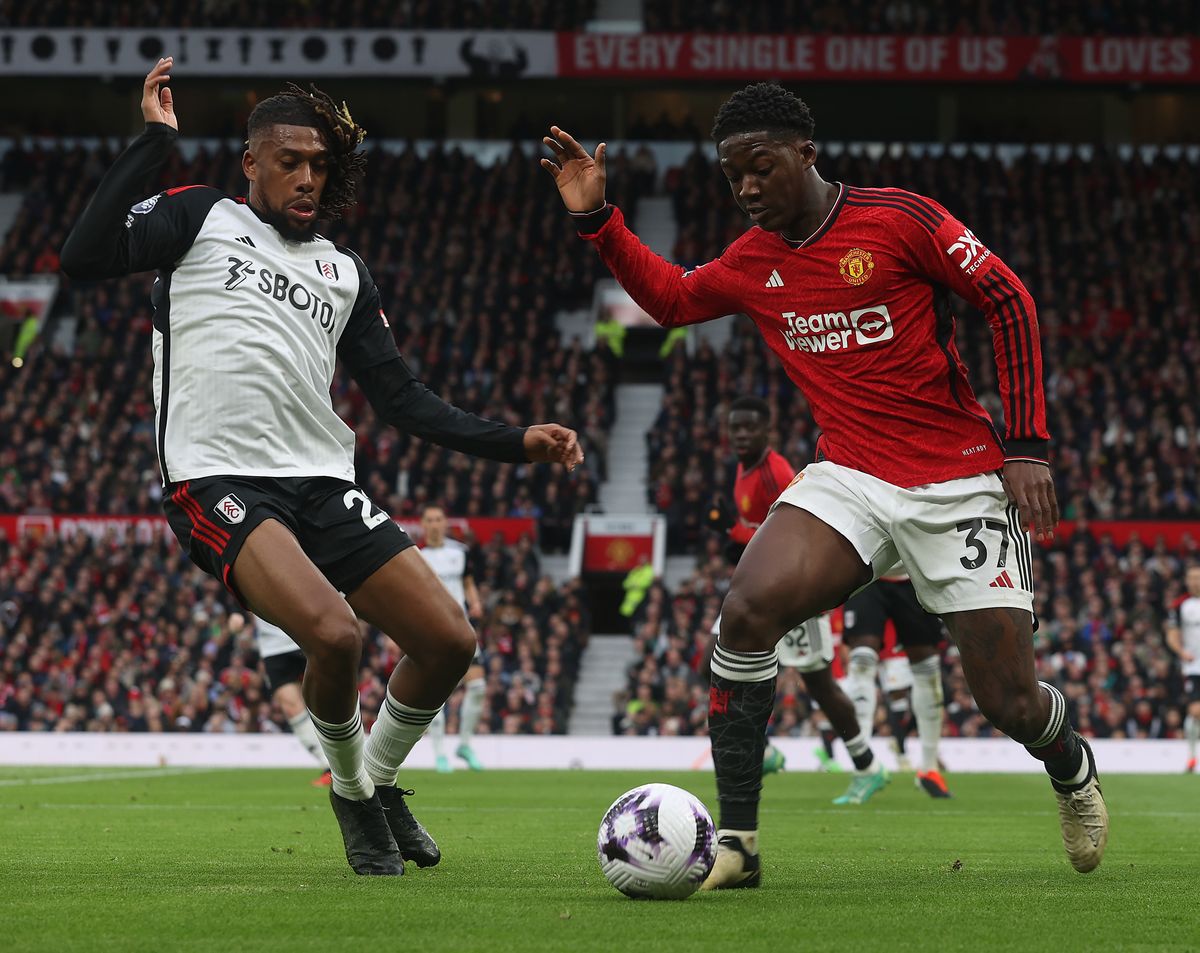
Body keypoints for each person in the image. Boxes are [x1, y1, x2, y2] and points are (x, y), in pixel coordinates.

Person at [541, 82, 1106, 887]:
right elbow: (670, 300)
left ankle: (1071, 764)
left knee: (1010, 701)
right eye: (732, 175)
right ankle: (738, 843)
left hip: (956, 480)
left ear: (805, 153)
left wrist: (1027, 446)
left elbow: (1008, 298)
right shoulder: (753, 260)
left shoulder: (900, 220)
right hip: (850, 475)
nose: (746, 187)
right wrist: (599, 220)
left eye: (760, 167)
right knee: (745, 612)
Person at [61, 59, 582, 877]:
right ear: (252, 162)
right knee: (335, 637)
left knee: (450, 640)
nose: (308, 178)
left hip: (324, 483)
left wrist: (517, 441)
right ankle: (354, 795)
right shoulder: (201, 218)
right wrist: (154, 143)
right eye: (290, 162)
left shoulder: (343, 270)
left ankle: (375, 779)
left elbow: (404, 400)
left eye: (319, 165)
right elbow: (83, 255)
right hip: (217, 478)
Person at [709, 396, 888, 812]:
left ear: (767, 431)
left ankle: (867, 765)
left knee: (819, 684)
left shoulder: (776, 473)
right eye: (735, 428)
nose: (741, 435)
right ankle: (765, 750)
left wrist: (732, 531)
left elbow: (787, 538)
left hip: (792, 592)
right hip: (765, 592)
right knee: (712, 662)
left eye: (749, 428)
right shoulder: (743, 468)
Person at [842, 572, 954, 797]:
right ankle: (864, 767)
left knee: (927, 667)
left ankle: (929, 769)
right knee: (861, 662)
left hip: (913, 574)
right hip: (868, 572)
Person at [414, 504, 487, 773]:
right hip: (432, 631)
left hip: (462, 628)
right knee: (436, 694)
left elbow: (467, 582)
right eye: (430, 520)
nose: (434, 524)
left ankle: (464, 745)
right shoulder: (416, 556)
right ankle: (440, 754)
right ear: (423, 525)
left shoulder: (460, 552)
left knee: (478, 687)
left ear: (445, 523)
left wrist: (475, 602)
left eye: (438, 519)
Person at [245, 612, 332, 786]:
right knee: (290, 707)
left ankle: (353, 762)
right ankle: (329, 766)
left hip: (309, 635)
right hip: (274, 647)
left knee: (329, 700)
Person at [1165, 564, 1200, 772]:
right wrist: (1181, 652)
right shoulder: (1180, 605)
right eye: (1192, 577)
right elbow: (1171, 634)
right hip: (1194, 666)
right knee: (1196, 711)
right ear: (1187, 581)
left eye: (1198, 577)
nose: (1195, 581)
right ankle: (1192, 756)